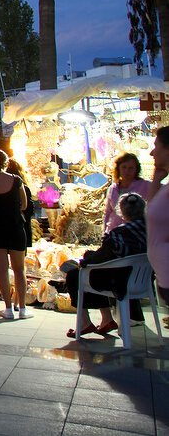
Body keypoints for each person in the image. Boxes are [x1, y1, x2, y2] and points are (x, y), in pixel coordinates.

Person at [52, 193, 148, 337]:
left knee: (76, 275)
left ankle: (85, 322)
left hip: (120, 282)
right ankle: (106, 320)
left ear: (122, 212)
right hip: (142, 281)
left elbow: (101, 257)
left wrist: (86, 259)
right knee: (95, 272)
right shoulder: (149, 231)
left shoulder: (120, 233)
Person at [0, 149, 30, 320]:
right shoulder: (16, 180)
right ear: (6, 163)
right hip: (15, 226)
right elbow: (23, 204)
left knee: (1, 269)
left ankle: (7, 308)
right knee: (19, 269)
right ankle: (22, 308)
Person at [146, 126, 169, 328]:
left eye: (156, 146)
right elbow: (150, 210)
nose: (152, 152)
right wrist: (155, 178)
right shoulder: (165, 187)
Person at [104, 153, 152, 232]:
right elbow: (107, 213)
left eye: (131, 168)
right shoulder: (113, 189)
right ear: (118, 169)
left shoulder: (146, 185)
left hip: (136, 234)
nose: (127, 171)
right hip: (114, 234)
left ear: (136, 169)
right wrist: (105, 234)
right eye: (124, 167)